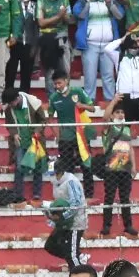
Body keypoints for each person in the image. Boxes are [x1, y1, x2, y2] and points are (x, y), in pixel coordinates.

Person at [48, 70, 96, 203]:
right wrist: (57, 134)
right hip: (65, 137)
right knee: (67, 167)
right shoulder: (53, 98)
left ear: (66, 81)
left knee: (86, 164)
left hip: (81, 135)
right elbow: (50, 118)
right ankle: (71, 194)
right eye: (55, 84)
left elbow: (93, 108)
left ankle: (89, 194)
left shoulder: (78, 91)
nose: (57, 86)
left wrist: (82, 106)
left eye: (59, 83)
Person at [74, 0, 125, 102]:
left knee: (108, 75)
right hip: (90, 44)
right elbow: (79, 15)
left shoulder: (109, 0)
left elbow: (120, 16)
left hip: (108, 45)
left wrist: (110, 5)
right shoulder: (82, 2)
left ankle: (110, 100)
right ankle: (89, 100)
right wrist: (89, 2)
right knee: (90, 75)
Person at [104, 33, 139, 139]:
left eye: (135, 46)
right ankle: (120, 151)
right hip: (124, 96)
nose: (134, 49)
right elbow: (107, 49)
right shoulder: (118, 57)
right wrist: (121, 39)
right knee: (122, 128)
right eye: (132, 46)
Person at [98, 100, 138, 236]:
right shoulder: (108, 127)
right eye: (117, 112)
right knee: (109, 197)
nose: (120, 115)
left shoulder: (126, 128)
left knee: (125, 198)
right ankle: (106, 226)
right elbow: (104, 117)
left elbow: (130, 148)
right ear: (113, 114)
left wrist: (134, 166)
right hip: (111, 169)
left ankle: (128, 225)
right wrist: (114, 100)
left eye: (122, 112)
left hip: (125, 169)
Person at [3, 87, 45, 202]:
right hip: (20, 142)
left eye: (12, 103)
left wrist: (37, 131)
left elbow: (43, 120)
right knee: (19, 168)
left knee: (38, 167)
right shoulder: (8, 108)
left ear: (17, 99)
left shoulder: (33, 102)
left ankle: (37, 194)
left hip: (34, 141)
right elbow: (9, 124)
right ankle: (18, 195)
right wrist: (14, 134)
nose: (10, 105)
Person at [43, 161, 87, 268]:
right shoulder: (56, 183)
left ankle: (79, 271)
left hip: (75, 222)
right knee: (50, 245)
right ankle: (78, 256)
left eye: (54, 174)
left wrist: (62, 216)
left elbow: (76, 204)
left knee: (71, 256)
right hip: (63, 222)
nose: (52, 177)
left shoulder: (71, 182)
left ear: (60, 172)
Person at [37, 0, 72, 93]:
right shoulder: (41, 1)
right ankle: (51, 96)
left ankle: (66, 94)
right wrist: (58, 17)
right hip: (47, 37)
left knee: (65, 68)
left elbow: (69, 20)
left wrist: (64, 15)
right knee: (50, 69)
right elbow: (41, 23)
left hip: (62, 36)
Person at [5, 0, 36, 94]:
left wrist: (34, 45)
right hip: (14, 42)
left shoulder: (35, 5)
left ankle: (24, 98)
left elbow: (37, 28)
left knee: (26, 74)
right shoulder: (14, 3)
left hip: (28, 43)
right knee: (10, 72)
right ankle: (7, 96)